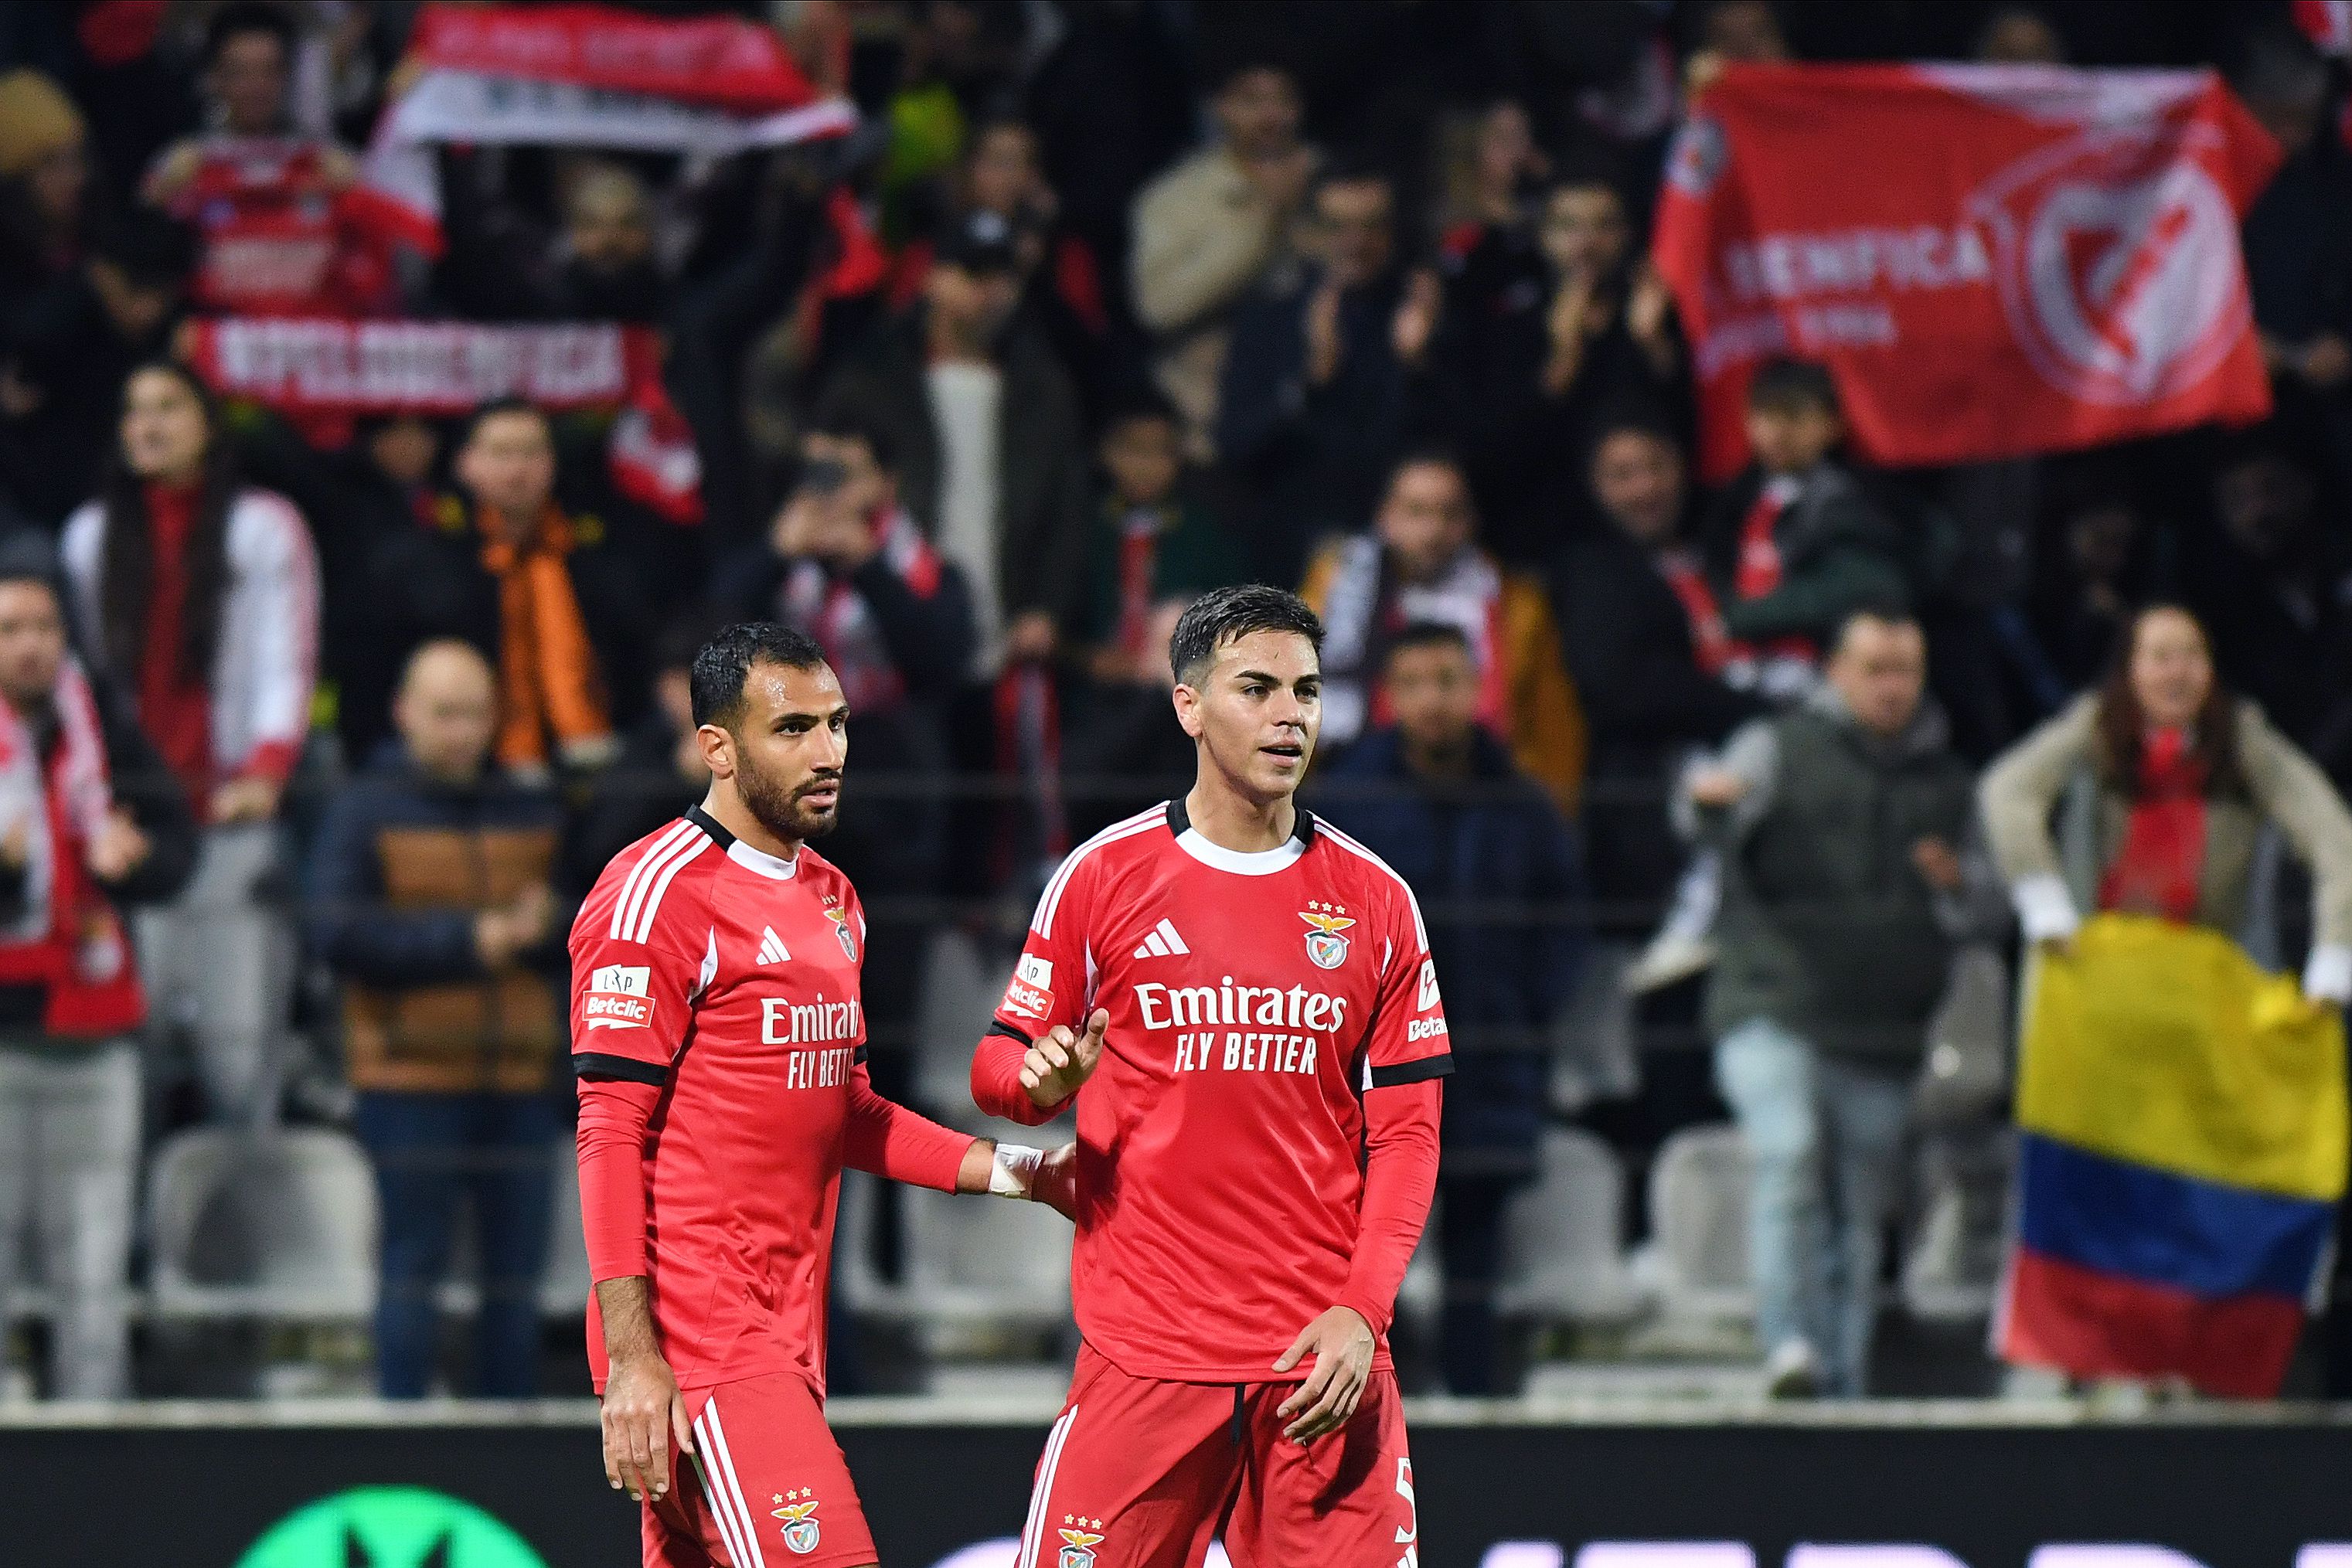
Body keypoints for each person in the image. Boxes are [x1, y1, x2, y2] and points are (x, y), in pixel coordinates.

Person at [569, 621, 1070, 1566]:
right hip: (700, 1340)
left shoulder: (834, 898)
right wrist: (631, 1359)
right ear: (717, 747)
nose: (829, 751)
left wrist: (1029, 1174)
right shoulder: (653, 895)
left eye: (837, 724)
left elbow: (845, 1111)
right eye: (792, 728)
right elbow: (605, 1130)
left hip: (786, 1333)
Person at [971, 584, 1447, 1565]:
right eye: (1258, 687)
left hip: (1320, 1363)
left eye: (1307, 691)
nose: (1290, 715)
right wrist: (1040, 1086)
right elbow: (996, 1065)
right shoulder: (1102, 877)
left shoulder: (1377, 901)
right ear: (1187, 704)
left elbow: (1407, 1133)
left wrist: (1364, 1310)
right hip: (1146, 1356)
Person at [1687, 608, 1992, 1398]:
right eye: (1873, 669)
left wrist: (1955, 886)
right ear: (1835, 673)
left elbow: (1990, 912)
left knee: (1861, 1214)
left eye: (1904, 670)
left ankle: (1843, 1385)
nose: (1890, 686)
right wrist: (1708, 806)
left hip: (1884, 1030)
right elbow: (1705, 816)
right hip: (1771, 1001)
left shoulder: (1953, 785)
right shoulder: (1779, 746)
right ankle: (1787, 1343)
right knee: (1787, 1154)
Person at [1318, 622, 1584, 1395]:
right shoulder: (1342, 805)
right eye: (1415, 682)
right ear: (1388, 695)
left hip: (1487, 1070)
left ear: (1478, 689)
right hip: (1367, 1081)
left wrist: (1524, 1012)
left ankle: (1472, 1428)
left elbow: (1563, 927)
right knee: (1367, 1266)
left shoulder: (1525, 806)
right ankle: (1370, 1425)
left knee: (1475, 1265)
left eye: (1449, 680)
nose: (1434, 699)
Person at [306, 641, 567, 1399]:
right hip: (408, 1074)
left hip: (519, 1076)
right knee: (410, 1269)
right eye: (445, 713)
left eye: (477, 713)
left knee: (515, 1282)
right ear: (404, 713)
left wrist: (550, 922)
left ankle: (507, 1448)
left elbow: (593, 924)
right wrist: (469, 940)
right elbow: (336, 931)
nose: (462, 731)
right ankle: (403, 1438)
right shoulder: (362, 809)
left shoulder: (529, 804)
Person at [60, 360, 318, 1126]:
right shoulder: (90, 534)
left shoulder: (264, 527)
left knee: (238, 1050)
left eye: (169, 407)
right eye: (135, 410)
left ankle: (246, 1220)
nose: (149, 424)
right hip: (130, 827)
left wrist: (266, 768)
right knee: (130, 1044)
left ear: (209, 423)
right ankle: (141, 1238)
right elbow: (86, 684)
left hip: (227, 817)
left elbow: (286, 661)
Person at [710, 417, 976, 1091]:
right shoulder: (774, 567)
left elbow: (938, 662)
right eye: (815, 473)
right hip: (785, 818)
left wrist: (866, 567)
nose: (826, 491)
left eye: (844, 473)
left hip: (893, 818)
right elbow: (711, 646)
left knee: (886, 1018)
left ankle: (888, 1191)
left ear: (885, 484)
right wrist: (775, 554)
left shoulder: (927, 573)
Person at [0, 542, 194, 1399]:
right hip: (5, 1038)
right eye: (10, 630)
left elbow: (175, 848)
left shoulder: (101, 724)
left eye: (44, 625)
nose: (32, 645)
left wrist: (137, 860)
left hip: (98, 1030)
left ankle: (94, 1431)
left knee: (94, 1258)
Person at [1980, 603, 2352, 1004]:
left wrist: (2335, 952)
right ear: (2130, 669)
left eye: (2193, 656)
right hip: (2097, 971)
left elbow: (2332, 835)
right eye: (2160, 658)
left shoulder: (2241, 738)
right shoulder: (2096, 726)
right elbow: (2007, 789)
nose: (2178, 673)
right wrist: (2043, 899)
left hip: (2208, 978)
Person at [816, 209, 1091, 677]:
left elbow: (1068, 506)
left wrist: (1049, 607)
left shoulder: (1042, 387)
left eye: (1003, 277)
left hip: (1009, 639)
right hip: (891, 642)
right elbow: (826, 479)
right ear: (933, 279)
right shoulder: (874, 380)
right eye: (972, 274)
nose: (991, 292)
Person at [364, 399, 650, 783]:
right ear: (465, 462)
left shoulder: (600, 546)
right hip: (470, 764)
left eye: (532, 453)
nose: (518, 470)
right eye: (501, 453)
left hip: (600, 756)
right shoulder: (425, 553)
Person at [1302, 450, 1586, 811]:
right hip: (1362, 798)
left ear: (1471, 521)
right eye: (1416, 512)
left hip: (1488, 799)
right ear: (1385, 516)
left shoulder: (1518, 608)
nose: (1432, 531)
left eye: (1448, 514)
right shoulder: (1334, 591)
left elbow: (1553, 729)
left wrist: (1554, 817)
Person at [1438, 170, 1682, 567]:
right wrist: (1561, 362)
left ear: (1626, 235)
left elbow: (1685, 429)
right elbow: (1501, 451)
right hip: (1550, 545)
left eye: (1603, 225)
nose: (1586, 242)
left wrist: (1654, 346)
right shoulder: (1512, 325)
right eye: (1569, 225)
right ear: (1544, 235)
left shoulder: (1652, 318)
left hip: (1650, 539)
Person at [1217, 162, 1441, 587]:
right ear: (1309, 232)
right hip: (1294, 553)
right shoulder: (1270, 317)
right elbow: (1236, 444)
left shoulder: (1423, 313)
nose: (1356, 242)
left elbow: (1460, 445)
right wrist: (1310, 380)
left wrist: (1416, 366)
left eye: (1372, 225)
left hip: (1411, 558)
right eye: (1338, 226)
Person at [139, 3, 397, 318]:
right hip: (216, 336)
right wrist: (161, 196)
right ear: (215, 78)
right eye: (240, 72)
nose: (255, 86)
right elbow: (145, 263)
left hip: (312, 335)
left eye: (268, 71)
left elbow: (379, 266)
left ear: (287, 76)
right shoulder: (184, 164)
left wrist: (358, 191)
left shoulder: (330, 164)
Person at [1694, 357, 1910, 700]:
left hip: (1823, 680)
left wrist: (1738, 620)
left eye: (1792, 416)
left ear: (1831, 423)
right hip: (1736, 676)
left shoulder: (1854, 500)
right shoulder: (1731, 501)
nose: (1775, 432)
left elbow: (1854, 586)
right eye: (1764, 415)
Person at [1129, 60, 1316, 457]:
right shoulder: (1178, 196)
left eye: (1283, 99)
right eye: (1251, 99)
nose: (1270, 115)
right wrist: (1265, 223)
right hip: (1203, 427)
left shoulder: (1330, 185)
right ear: (1220, 107)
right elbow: (1157, 307)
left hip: (1315, 425)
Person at [1075, 389, 1246, 690]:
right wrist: (1088, 658)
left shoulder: (1201, 532)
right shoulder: (1084, 527)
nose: (1146, 466)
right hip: (1092, 690)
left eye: (1160, 452)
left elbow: (1235, 611)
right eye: (1134, 450)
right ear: (1105, 451)